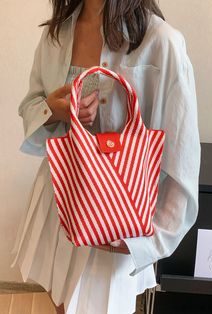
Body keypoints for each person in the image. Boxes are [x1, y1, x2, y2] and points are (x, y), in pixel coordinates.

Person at [10, 0, 201, 313]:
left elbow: (182, 158)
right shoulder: (57, 32)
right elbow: (31, 103)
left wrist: (150, 240)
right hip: (59, 201)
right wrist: (55, 110)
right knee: (59, 300)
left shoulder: (162, 42)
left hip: (113, 218)